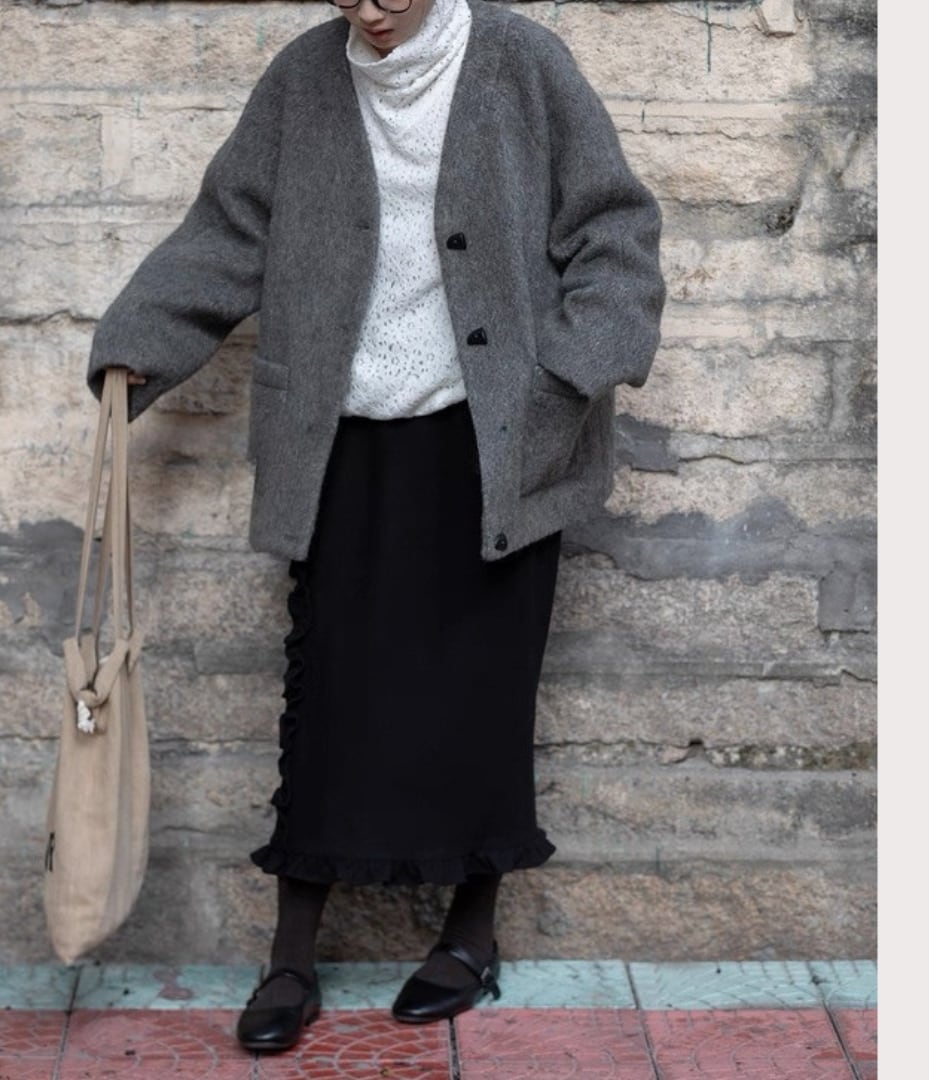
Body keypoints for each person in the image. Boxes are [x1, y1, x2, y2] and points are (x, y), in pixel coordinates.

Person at [87, 0, 664, 1053]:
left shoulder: (523, 63)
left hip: (497, 441)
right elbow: (228, 230)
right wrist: (138, 346)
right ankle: (291, 957)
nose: (372, 6)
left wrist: (570, 372)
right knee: (329, 698)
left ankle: (471, 932)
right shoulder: (303, 79)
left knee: (482, 693)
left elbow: (614, 228)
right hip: (342, 435)